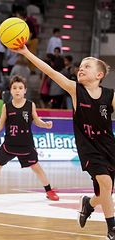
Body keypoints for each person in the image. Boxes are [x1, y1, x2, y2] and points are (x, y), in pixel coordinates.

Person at [15, 44, 115, 239]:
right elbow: (51, 72)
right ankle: (112, 228)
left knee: (106, 193)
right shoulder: (75, 90)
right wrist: (26, 53)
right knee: (105, 181)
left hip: (109, 146)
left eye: (87, 66)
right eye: (81, 66)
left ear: (99, 75)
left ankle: (88, 204)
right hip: (89, 147)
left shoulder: (110, 96)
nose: (81, 68)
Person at [0, 76, 59, 201]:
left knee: (37, 168)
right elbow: (1, 122)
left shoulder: (30, 105)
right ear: (11, 90)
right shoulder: (6, 107)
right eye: (14, 88)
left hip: (26, 145)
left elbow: (37, 121)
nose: (17, 90)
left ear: (25, 90)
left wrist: (45, 124)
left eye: (20, 88)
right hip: (9, 144)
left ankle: (49, 190)